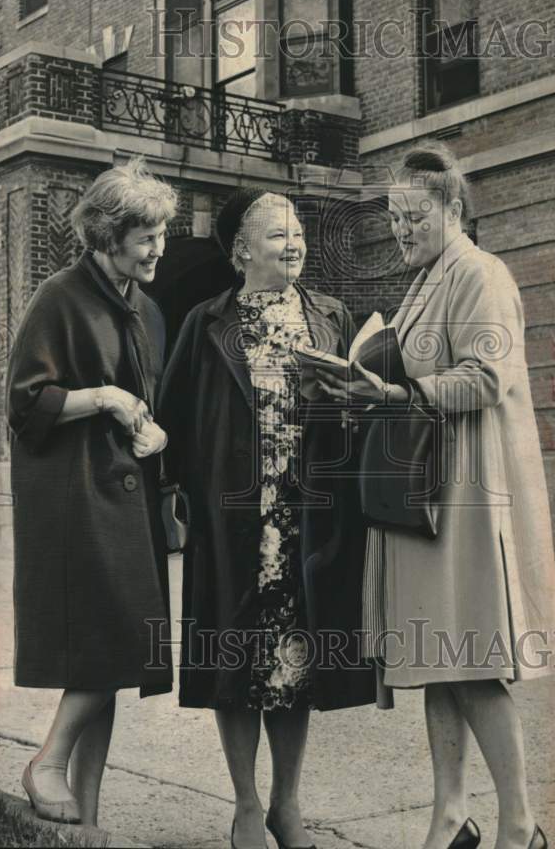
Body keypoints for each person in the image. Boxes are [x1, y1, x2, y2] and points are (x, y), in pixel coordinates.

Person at [318, 145, 555, 849]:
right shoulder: (423, 281)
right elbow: (416, 375)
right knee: (435, 663)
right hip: (422, 498)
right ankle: (450, 816)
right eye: (394, 218)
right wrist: (358, 388)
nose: (401, 229)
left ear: (452, 208)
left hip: (466, 495)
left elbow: (486, 378)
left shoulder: (480, 274)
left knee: (474, 662)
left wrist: (395, 391)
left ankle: (520, 824)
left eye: (413, 215)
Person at [158, 189, 375, 849]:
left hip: (310, 516)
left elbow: (362, 408)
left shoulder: (331, 315)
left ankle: (287, 803)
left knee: (298, 659)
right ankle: (247, 805)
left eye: (299, 232)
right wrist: (183, 494)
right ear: (241, 250)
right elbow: (174, 414)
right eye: (278, 234)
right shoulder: (206, 322)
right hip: (235, 521)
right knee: (236, 656)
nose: (295, 243)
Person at [6, 158, 177, 827]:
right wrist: (104, 397)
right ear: (108, 236)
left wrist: (153, 430)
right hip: (74, 499)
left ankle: (91, 816)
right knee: (107, 644)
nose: (158, 247)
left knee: (111, 651)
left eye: (162, 233)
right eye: (147, 236)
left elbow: (148, 401)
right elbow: (26, 401)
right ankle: (46, 763)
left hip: (126, 497)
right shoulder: (59, 296)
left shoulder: (146, 309)